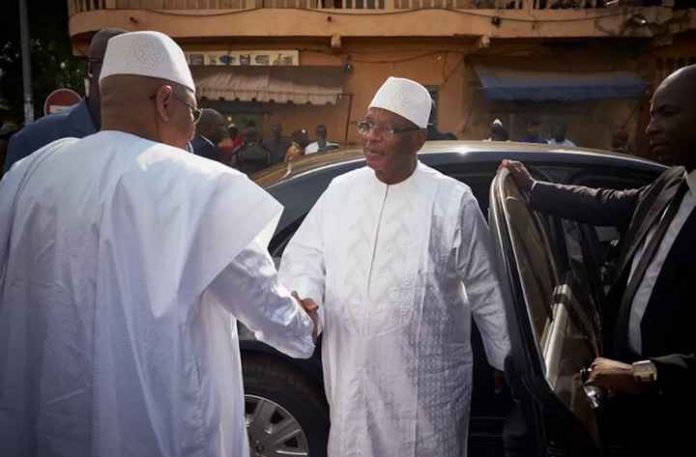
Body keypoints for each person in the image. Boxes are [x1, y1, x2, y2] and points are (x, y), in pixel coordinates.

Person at [0, 31, 317, 457]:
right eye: (194, 109)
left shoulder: (30, 173)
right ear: (165, 100)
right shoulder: (203, 187)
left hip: (54, 425)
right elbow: (271, 312)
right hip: (159, 428)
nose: (193, 125)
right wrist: (305, 323)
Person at [279, 77, 510, 457]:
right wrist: (306, 297)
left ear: (417, 139)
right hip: (352, 372)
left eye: (386, 128)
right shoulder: (341, 190)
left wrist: (503, 358)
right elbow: (306, 255)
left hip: (423, 381)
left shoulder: (452, 200)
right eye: (367, 125)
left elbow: (486, 286)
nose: (371, 137)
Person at [501, 64, 696, 457]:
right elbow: (608, 204)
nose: (650, 128)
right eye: (652, 113)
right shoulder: (674, 182)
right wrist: (534, 190)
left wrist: (644, 373)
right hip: (635, 405)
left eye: (667, 114)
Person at [3, 28, 126, 172]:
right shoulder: (35, 139)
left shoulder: (149, 139)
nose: (128, 79)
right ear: (91, 69)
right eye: (116, 65)